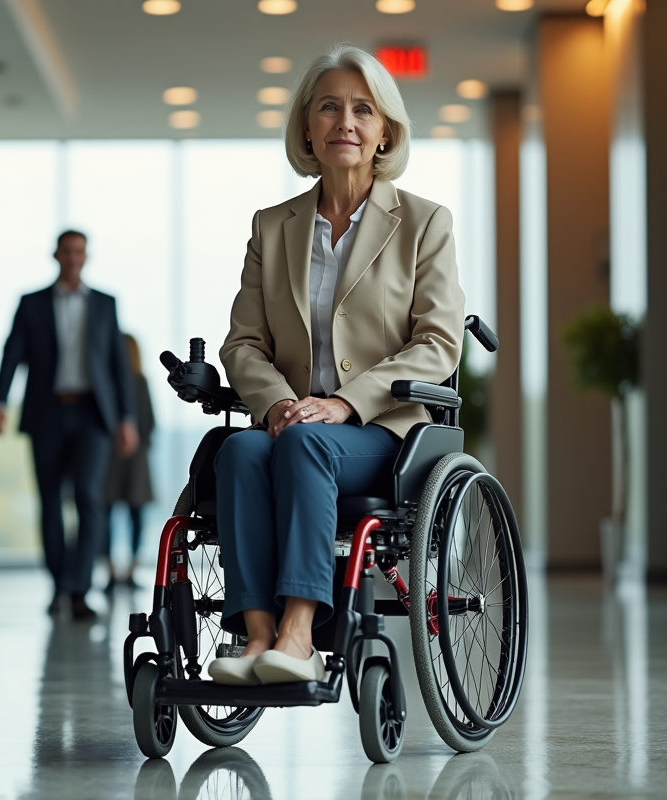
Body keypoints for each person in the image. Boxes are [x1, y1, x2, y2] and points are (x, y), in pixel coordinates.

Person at [206, 45, 465, 686]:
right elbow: (242, 344)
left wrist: (345, 403)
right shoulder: (273, 228)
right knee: (237, 454)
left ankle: (300, 633)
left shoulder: (425, 223)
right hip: (292, 422)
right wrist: (273, 404)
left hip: (384, 432)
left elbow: (439, 341)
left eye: (362, 110)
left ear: (385, 132)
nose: (344, 121)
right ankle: (258, 634)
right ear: (306, 128)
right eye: (328, 107)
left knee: (307, 446)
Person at [0, 230, 138, 620]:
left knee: (89, 499)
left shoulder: (105, 304)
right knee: (50, 501)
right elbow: (12, 354)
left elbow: (118, 367)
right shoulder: (32, 304)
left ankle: (79, 589)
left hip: (93, 415)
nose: (73, 258)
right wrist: (0, 400)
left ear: (86, 257)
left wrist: (126, 418)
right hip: (47, 413)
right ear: (56, 255)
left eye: (79, 251)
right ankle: (59, 587)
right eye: (67, 251)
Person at [103, 333, 155, 589]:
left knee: (112, 514)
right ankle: (121, 569)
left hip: (118, 458)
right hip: (133, 459)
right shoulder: (138, 382)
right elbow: (149, 423)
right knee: (130, 516)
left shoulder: (118, 383)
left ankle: (117, 571)